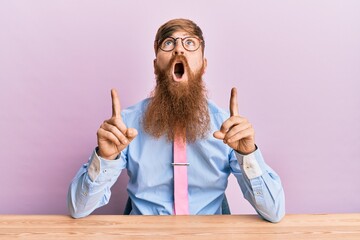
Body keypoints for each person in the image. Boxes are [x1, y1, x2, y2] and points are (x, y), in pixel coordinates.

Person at [67, 18, 285, 222]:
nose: (179, 49)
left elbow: (274, 212)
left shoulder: (227, 127)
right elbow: (78, 209)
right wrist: (105, 158)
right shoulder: (125, 125)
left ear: (204, 64)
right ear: (155, 65)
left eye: (190, 43)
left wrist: (247, 154)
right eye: (168, 43)